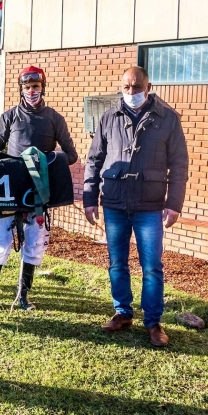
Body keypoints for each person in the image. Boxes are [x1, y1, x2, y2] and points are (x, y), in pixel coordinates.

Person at [83, 66, 188, 347]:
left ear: (148, 87)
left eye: (136, 87)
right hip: (115, 203)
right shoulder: (108, 118)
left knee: (152, 266)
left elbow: (179, 164)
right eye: (127, 87)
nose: (131, 92)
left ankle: (153, 322)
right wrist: (90, 199)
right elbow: (94, 160)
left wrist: (174, 204)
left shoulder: (168, 119)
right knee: (117, 263)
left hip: (150, 205)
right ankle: (122, 313)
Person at [0, 66, 78, 311]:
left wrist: (45, 160)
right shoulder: (10, 116)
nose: (32, 91)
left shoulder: (54, 118)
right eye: (27, 87)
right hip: (11, 190)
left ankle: (23, 296)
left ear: (43, 87)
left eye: (36, 87)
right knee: (0, 239)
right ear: (21, 88)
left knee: (33, 241)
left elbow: (70, 155)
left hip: (38, 191)